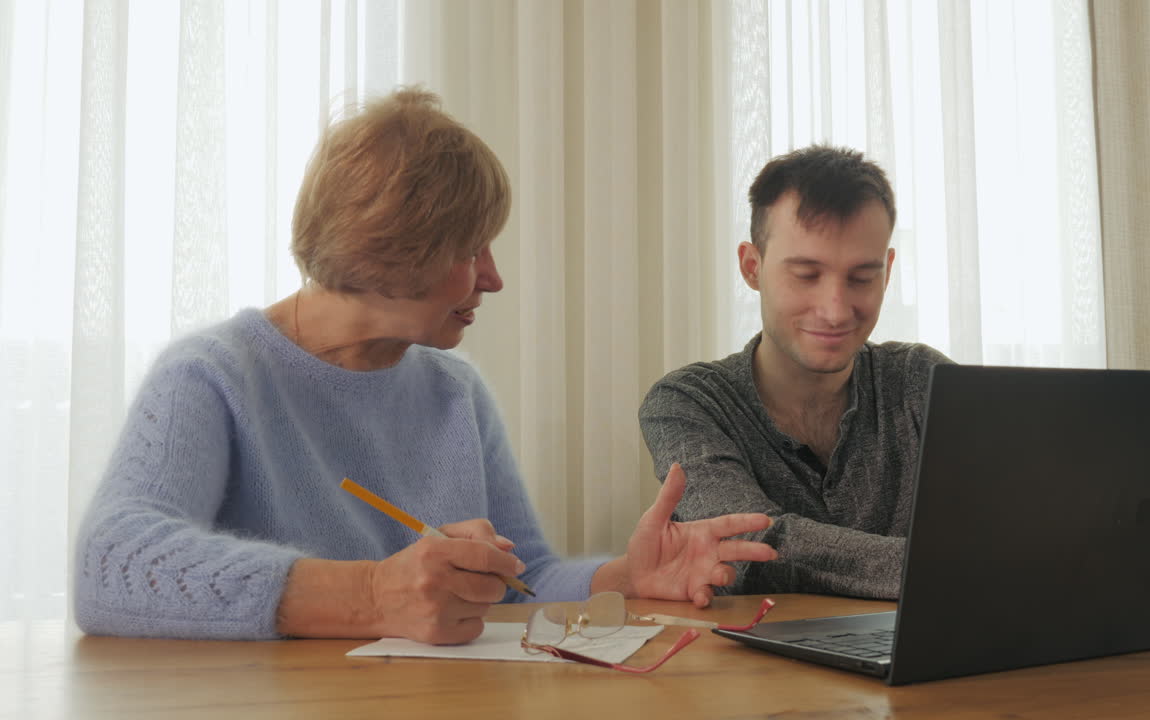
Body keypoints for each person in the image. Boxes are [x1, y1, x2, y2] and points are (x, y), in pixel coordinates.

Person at [74, 87, 777, 643]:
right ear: (388, 248)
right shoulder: (212, 376)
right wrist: (377, 596)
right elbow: (111, 565)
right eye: (472, 249)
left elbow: (521, 579)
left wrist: (628, 576)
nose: (494, 279)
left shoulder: (455, 393)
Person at [638, 145, 951, 600]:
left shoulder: (924, 380)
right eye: (806, 274)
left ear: (887, 272)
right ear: (752, 267)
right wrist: (954, 568)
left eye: (862, 277)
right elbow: (748, 550)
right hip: (754, 669)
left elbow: (1019, 522)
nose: (835, 310)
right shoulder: (686, 403)